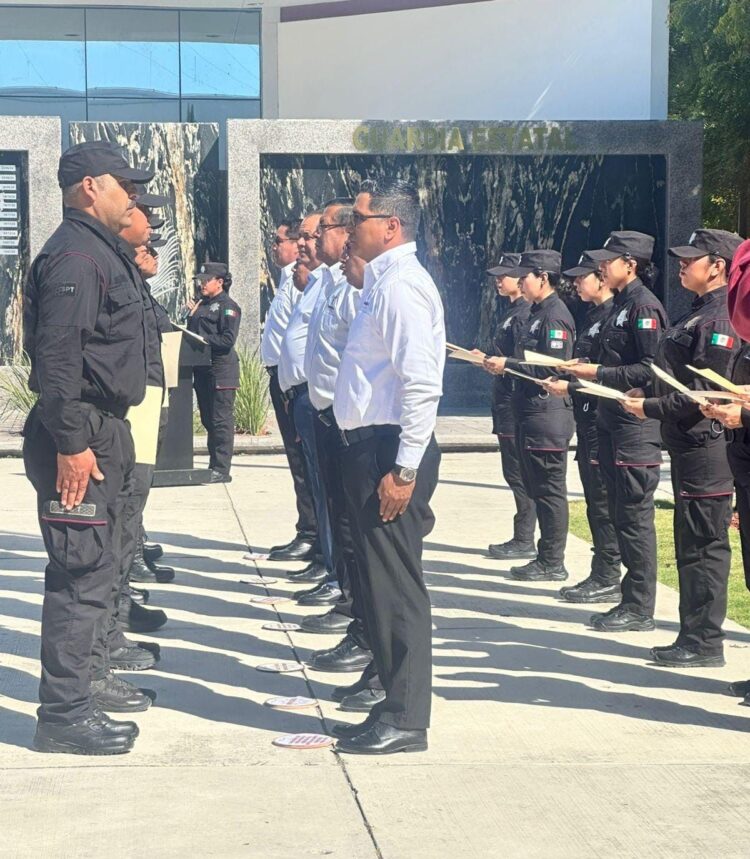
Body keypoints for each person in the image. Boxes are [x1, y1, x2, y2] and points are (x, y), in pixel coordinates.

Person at [22, 140, 154, 755]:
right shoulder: (76, 256)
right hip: (78, 438)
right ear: (88, 188)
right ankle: (64, 714)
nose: (131, 194)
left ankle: (79, 692)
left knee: (95, 568)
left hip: (101, 431)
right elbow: (56, 363)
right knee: (78, 575)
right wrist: (72, 444)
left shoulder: (98, 250)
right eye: (122, 183)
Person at [331, 178, 445, 755]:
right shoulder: (381, 283)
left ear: (391, 227)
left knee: (396, 587)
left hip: (391, 450)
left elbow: (421, 384)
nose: (351, 227)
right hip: (372, 446)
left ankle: (406, 718)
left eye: (359, 218)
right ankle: (391, 700)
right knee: (377, 583)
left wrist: (403, 471)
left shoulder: (401, 286)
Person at [623, 229, 743, 666]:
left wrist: (648, 406)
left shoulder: (720, 320)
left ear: (718, 266)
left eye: (692, 258)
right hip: (690, 448)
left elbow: (705, 395)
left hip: (706, 449)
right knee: (691, 543)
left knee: (704, 546)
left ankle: (705, 641)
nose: (681, 265)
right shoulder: (700, 313)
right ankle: (693, 635)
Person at [568, 231, 667, 631]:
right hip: (610, 421)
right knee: (617, 512)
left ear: (631, 264)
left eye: (609, 260)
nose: (602, 268)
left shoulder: (645, 307)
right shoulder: (618, 307)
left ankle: (640, 606)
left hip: (634, 428)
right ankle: (627, 596)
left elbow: (651, 369)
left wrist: (597, 373)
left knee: (634, 518)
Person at [302, 200, 374, 677]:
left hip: (352, 426)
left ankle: (359, 616)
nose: (312, 241)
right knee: (338, 519)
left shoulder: (360, 288)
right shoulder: (332, 283)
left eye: (319, 231)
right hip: (326, 414)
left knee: (355, 532)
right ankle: (351, 605)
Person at [483, 250, 576, 581]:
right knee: (537, 485)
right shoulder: (538, 312)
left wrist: (506, 363)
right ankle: (543, 555)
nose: (520, 282)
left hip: (546, 415)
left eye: (525, 277)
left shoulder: (554, 316)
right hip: (531, 413)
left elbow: (552, 366)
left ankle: (552, 560)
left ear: (544, 278)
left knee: (549, 490)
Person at [544, 253, 622, 602]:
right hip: (589, 419)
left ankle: (608, 575)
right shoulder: (594, 317)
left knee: (604, 502)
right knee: (594, 500)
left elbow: (614, 374)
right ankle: (602, 571)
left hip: (602, 419)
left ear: (602, 278)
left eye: (583, 277)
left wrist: (574, 382)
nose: (576, 284)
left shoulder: (616, 315)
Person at [277, 212, 341, 607]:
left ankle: (336, 574)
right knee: (318, 486)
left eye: (311, 236)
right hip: (305, 397)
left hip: (326, 405)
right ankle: (325, 559)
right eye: (300, 237)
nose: (303, 244)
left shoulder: (342, 284)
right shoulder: (318, 283)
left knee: (332, 495)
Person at [261, 219, 319, 565]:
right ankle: (307, 529)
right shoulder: (287, 279)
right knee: (298, 463)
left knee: (307, 464)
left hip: (302, 386)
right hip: (283, 380)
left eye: (279, 240)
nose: (276, 247)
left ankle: (313, 534)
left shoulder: (305, 281)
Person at [482, 254, 536, 561]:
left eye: (504, 275)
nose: (498, 281)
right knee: (512, 471)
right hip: (504, 400)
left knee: (519, 472)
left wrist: (502, 365)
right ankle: (523, 535)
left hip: (514, 402)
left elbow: (523, 360)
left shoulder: (525, 313)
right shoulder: (511, 311)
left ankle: (525, 537)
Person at [187, 262, 241, 483]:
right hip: (202, 370)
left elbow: (228, 339)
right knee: (209, 419)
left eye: (206, 280)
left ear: (219, 282)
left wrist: (204, 340)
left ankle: (221, 468)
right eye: (200, 280)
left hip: (221, 370)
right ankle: (213, 465)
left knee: (220, 421)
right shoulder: (201, 305)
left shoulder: (228, 306)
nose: (201, 284)